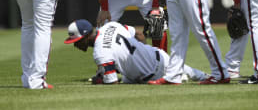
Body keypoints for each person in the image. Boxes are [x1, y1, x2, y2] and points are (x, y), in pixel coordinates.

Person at [64, 19, 209, 84]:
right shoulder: (110, 25)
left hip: (150, 76)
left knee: (182, 76)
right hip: (157, 54)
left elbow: (112, 83)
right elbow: (139, 34)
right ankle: (207, 76)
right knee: (198, 74)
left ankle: (181, 77)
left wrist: (99, 81)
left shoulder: (100, 53)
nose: (75, 45)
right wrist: (140, 55)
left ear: (85, 37)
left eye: (76, 41)